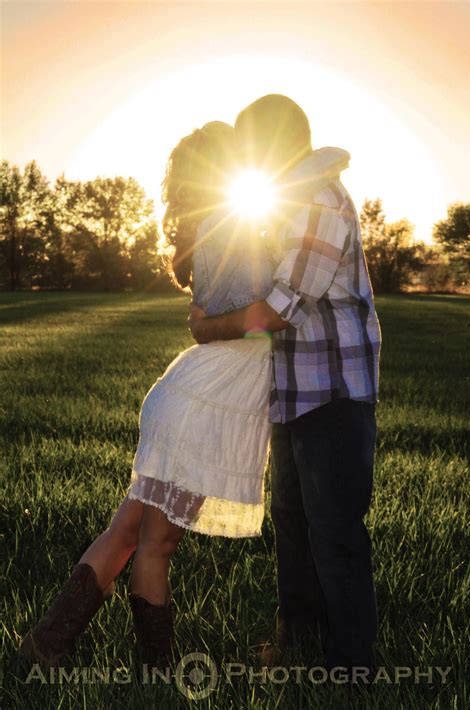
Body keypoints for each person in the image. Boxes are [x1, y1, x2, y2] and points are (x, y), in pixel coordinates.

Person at [20, 121, 276, 669]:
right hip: (206, 405)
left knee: (131, 531)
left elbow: (210, 314)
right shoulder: (231, 231)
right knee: (154, 544)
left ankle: (46, 646)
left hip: (194, 397)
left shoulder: (214, 229)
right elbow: (256, 315)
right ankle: (154, 670)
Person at [189, 95, 382, 675]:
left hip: (334, 394)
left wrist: (208, 329)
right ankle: (298, 643)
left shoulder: (320, 200)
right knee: (292, 524)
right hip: (294, 394)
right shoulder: (289, 201)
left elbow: (280, 307)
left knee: (335, 531)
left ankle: (351, 666)